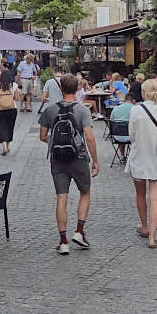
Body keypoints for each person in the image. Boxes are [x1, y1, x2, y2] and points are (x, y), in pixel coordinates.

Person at [38, 75, 99, 255]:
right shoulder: (82, 110)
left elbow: (42, 136)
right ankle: (79, 231)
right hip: (78, 157)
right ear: (77, 89)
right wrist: (95, 160)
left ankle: (63, 241)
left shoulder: (50, 110)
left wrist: (56, 141)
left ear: (62, 89)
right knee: (85, 192)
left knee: (61, 198)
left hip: (57, 159)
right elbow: (89, 137)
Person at [127, 79, 157, 248]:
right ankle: (152, 237)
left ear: (143, 92)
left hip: (139, 157)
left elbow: (131, 135)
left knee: (140, 195)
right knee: (155, 198)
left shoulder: (135, 110)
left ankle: (144, 226)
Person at [0, 70, 19, 156]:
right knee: (10, 127)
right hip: (12, 109)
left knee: (2, 127)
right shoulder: (14, 86)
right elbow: (17, 98)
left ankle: (4, 146)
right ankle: (7, 145)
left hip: (0, 109)